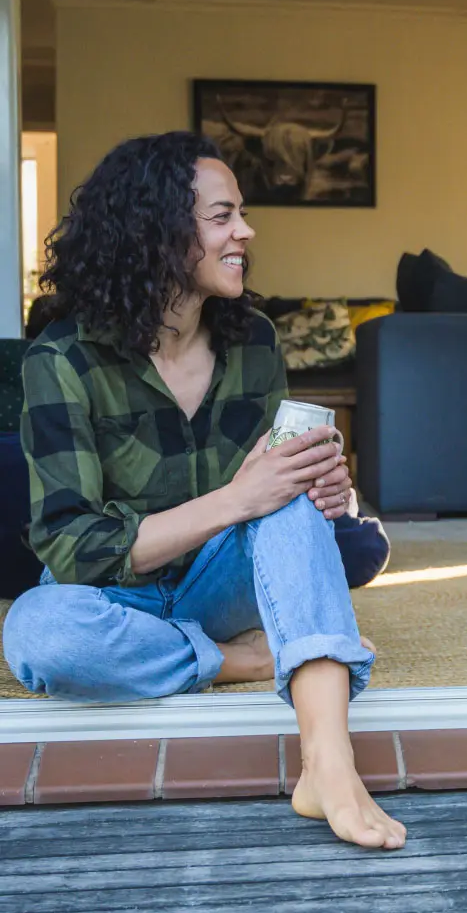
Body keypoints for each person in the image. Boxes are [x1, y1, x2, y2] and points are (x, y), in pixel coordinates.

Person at [2, 132, 405, 849]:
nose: (245, 232)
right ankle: (242, 658)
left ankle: (328, 763)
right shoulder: (62, 359)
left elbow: (276, 495)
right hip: (115, 596)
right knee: (39, 632)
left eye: (240, 215)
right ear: (156, 232)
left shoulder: (253, 341)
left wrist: (321, 485)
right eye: (223, 217)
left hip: (223, 580)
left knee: (288, 502)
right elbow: (72, 549)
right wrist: (238, 499)